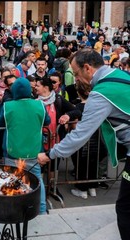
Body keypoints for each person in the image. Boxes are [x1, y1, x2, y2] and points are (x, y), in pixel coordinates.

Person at [37, 48, 130, 240]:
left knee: (125, 208)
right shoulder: (121, 75)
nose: (76, 79)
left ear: (87, 68)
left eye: (76, 74)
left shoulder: (100, 94)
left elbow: (80, 135)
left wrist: (49, 155)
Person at [0, 77, 50, 215]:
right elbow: (47, 121)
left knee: (11, 181)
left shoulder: (7, 106)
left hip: (12, 152)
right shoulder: (39, 105)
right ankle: (42, 210)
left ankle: (12, 211)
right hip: (34, 152)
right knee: (37, 181)